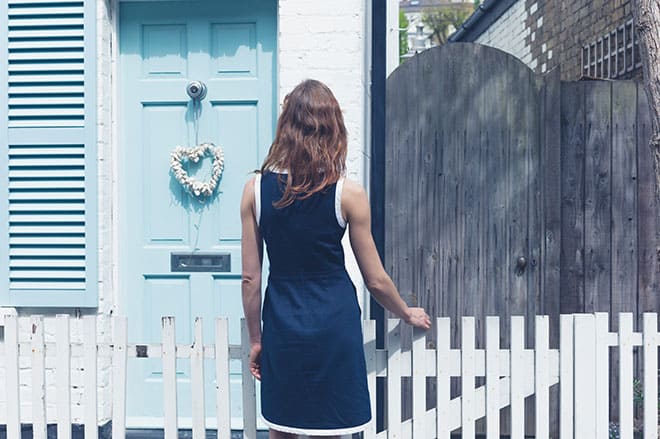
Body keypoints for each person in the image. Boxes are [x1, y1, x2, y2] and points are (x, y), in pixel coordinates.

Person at [240, 79, 431, 439]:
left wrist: (256, 340)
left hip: (283, 324)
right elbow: (374, 279)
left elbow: (250, 279)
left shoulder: (254, 190)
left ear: (287, 127)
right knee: (331, 429)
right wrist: (405, 311)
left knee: (282, 428)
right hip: (334, 326)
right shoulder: (348, 193)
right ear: (333, 129)